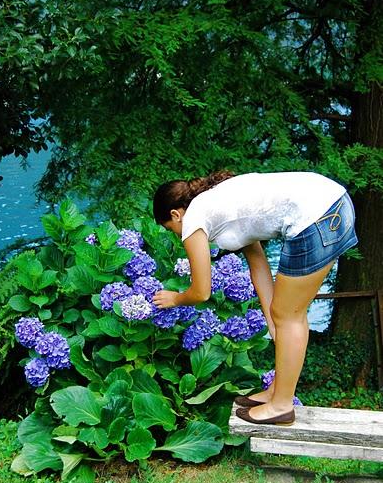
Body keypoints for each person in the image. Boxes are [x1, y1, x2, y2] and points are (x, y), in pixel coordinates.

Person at [152, 170, 358, 426]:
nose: (177, 234)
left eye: (171, 229)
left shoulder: (193, 218)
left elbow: (201, 291)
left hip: (316, 217)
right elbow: (258, 265)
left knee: (290, 316)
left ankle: (282, 406)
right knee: (287, 316)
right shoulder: (217, 204)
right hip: (334, 205)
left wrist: (175, 298)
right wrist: (273, 321)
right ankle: (278, 393)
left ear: (175, 214)